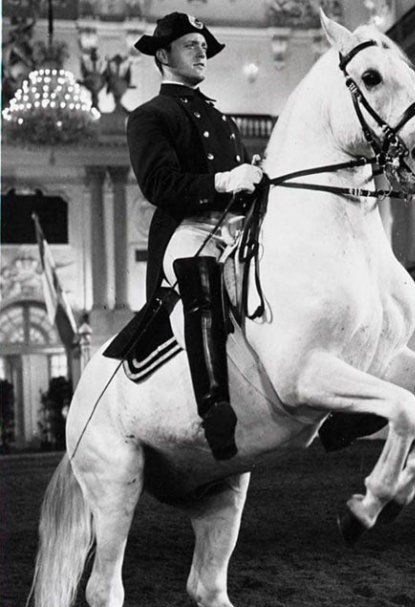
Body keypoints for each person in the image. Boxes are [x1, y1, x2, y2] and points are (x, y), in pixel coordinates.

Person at [128, 12, 263, 461]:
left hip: (236, 226)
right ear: (163, 56)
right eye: (191, 45)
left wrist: (257, 178)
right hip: (189, 230)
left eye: (204, 45)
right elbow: (160, 185)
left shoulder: (221, 117)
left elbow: (245, 181)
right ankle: (214, 410)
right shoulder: (150, 115)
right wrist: (224, 182)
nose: (202, 50)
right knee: (199, 280)